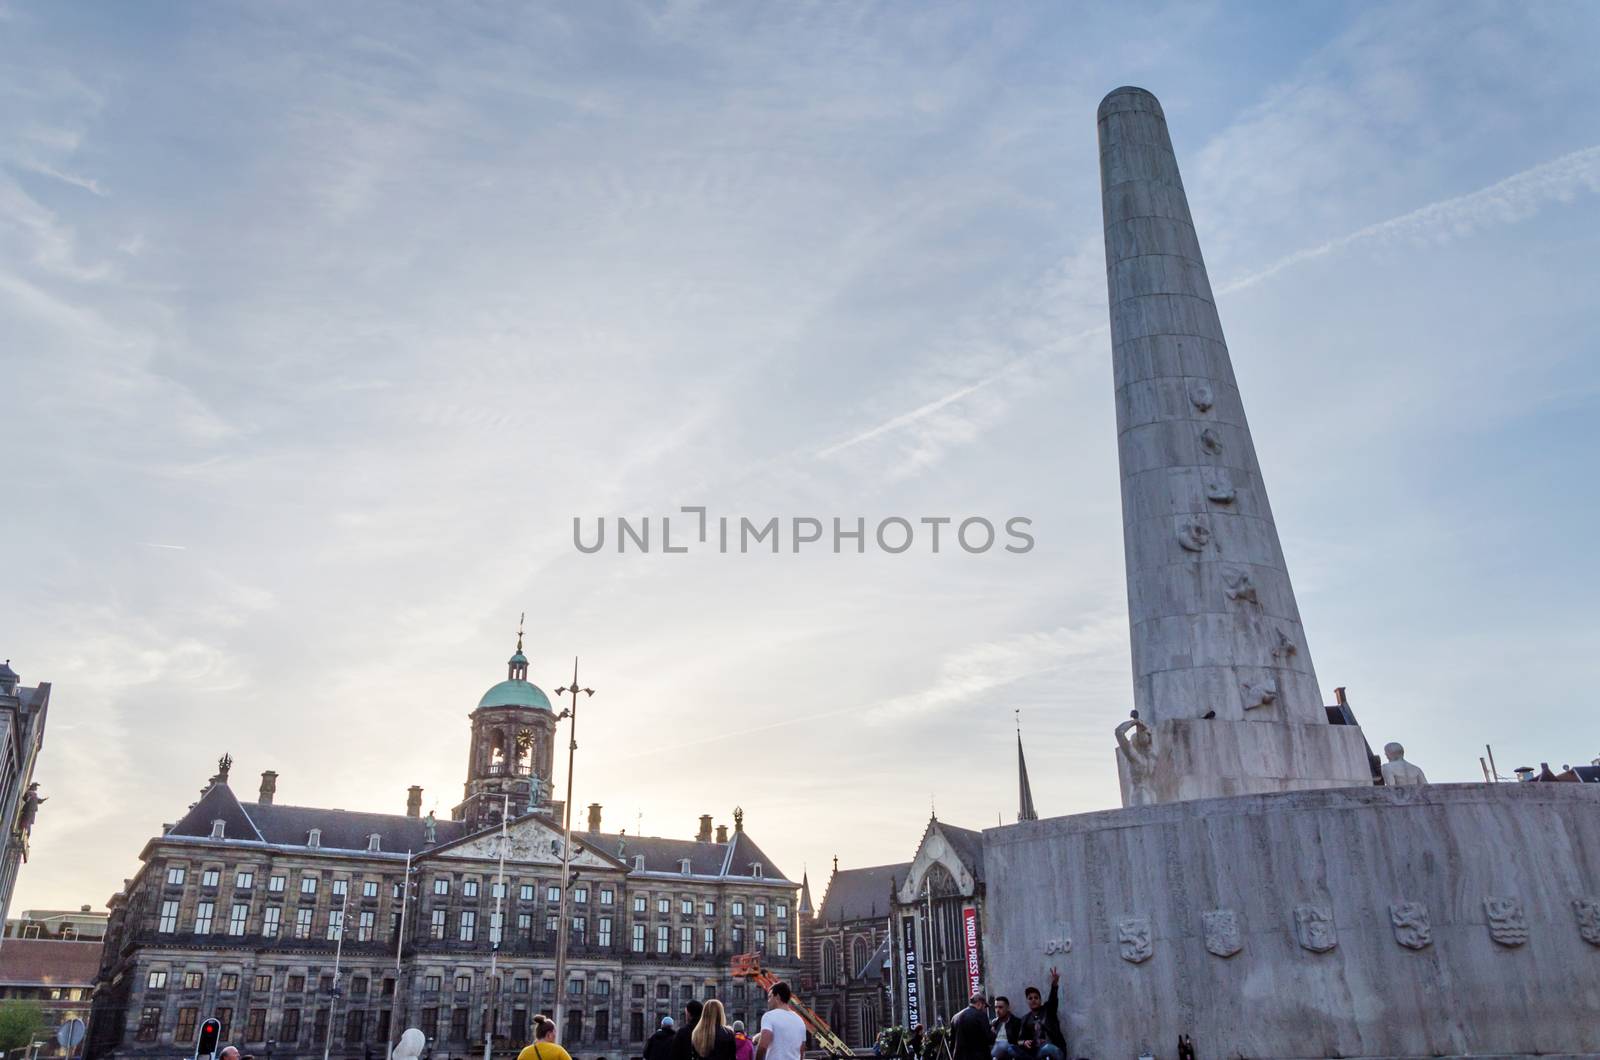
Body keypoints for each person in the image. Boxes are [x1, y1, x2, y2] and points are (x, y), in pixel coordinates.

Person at [1019, 969, 1066, 1060]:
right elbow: (1019, 1040)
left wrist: (1054, 985)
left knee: (1047, 1048)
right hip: (1037, 1054)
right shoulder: (1025, 1019)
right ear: (1027, 1001)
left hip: (1054, 1050)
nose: (1033, 1000)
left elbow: (1052, 1000)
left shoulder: (1048, 1010)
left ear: (1040, 1000)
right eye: (1030, 998)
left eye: (1036, 997)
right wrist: (1024, 1042)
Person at [754, 981, 807, 1060]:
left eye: (770, 997)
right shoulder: (800, 1020)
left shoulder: (769, 1016)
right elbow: (802, 1050)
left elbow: (762, 1047)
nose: (768, 1001)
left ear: (777, 997)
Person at [951, 994, 992, 1060]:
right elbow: (989, 1038)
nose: (985, 1009)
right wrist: (993, 1032)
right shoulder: (980, 1015)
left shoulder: (955, 1017)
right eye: (985, 1006)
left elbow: (952, 1043)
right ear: (979, 1003)